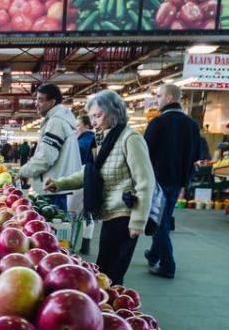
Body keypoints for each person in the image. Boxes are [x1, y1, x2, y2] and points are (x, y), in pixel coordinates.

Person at [45, 90, 155, 286]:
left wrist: (138, 221)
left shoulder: (131, 139)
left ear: (114, 112)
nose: (94, 121)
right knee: (105, 269)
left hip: (125, 214)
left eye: (98, 115)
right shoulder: (103, 139)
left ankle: (110, 309)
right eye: (92, 117)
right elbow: (89, 173)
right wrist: (60, 183)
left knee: (111, 271)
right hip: (111, 214)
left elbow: (145, 181)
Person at [142, 84, 203, 279]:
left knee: (159, 221)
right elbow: (196, 155)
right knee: (163, 216)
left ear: (169, 98)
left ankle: (168, 265)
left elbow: (144, 152)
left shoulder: (158, 123)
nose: (157, 100)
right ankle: (153, 254)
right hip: (177, 181)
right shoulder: (192, 125)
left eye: (159, 96)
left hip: (159, 180)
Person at [19, 84, 79, 208]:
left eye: (40, 100)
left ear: (52, 102)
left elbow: (46, 158)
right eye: (36, 99)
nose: (36, 103)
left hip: (52, 189)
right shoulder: (61, 119)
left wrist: (23, 171)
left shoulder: (56, 122)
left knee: (52, 225)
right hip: (57, 187)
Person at [75, 114, 96, 253]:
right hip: (94, 181)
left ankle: (69, 244)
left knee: (72, 213)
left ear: (87, 126)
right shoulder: (98, 139)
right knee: (88, 213)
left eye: (78, 125)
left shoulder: (79, 143)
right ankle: (86, 244)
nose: (76, 128)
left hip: (78, 180)